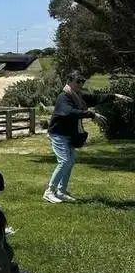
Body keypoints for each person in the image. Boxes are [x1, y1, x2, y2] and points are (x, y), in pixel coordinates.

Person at [43, 70, 132, 203]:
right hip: (58, 134)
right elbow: (69, 112)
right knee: (65, 161)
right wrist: (92, 114)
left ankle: (61, 192)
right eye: (78, 81)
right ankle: (49, 192)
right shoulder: (64, 97)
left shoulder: (78, 97)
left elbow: (96, 98)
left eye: (82, 81)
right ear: (69, 81)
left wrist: (115, 96)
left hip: (69, 135)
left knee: (70, 162)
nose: (80, 84)